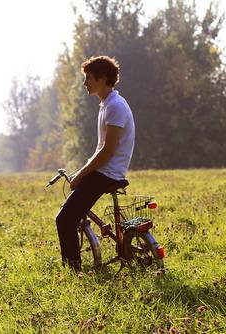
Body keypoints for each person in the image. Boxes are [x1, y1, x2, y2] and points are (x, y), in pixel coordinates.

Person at [55, 56, 135, 271]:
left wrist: (80, 175)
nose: (85, 83)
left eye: (88, 78)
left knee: (64, 220)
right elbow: (102, 148)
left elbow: (107, 151)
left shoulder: (115, 107)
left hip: (107, 173)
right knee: (72, 213)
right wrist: (82, 170)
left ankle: (73, 271)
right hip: (105, 170)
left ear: (103, 79)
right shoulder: (107, 104)